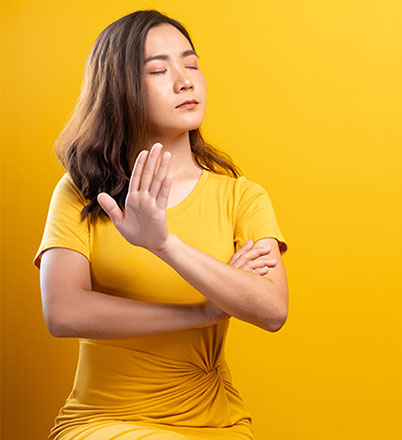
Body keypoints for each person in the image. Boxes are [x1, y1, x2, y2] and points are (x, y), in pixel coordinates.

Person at [32, 9, 289, 440]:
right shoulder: (83, 191)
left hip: (215, 421)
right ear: (120, 89)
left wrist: (163, 244)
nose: (185, 80)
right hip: (103, 422)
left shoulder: (241, 197)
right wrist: (204, 310)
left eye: (191, 64)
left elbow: (271, 310)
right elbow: (63, 312)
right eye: (158, 69)